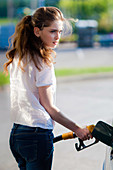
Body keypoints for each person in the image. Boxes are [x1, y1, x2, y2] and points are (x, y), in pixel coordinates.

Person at [4, 6, 92, 170]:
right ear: (37, 31)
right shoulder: (42, 61)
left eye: (59, 31)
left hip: (17, 135)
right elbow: (49, 106)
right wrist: (77, 129)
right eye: (52, 31)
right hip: (36, 135)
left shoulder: (18, 57)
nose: (57, 37)